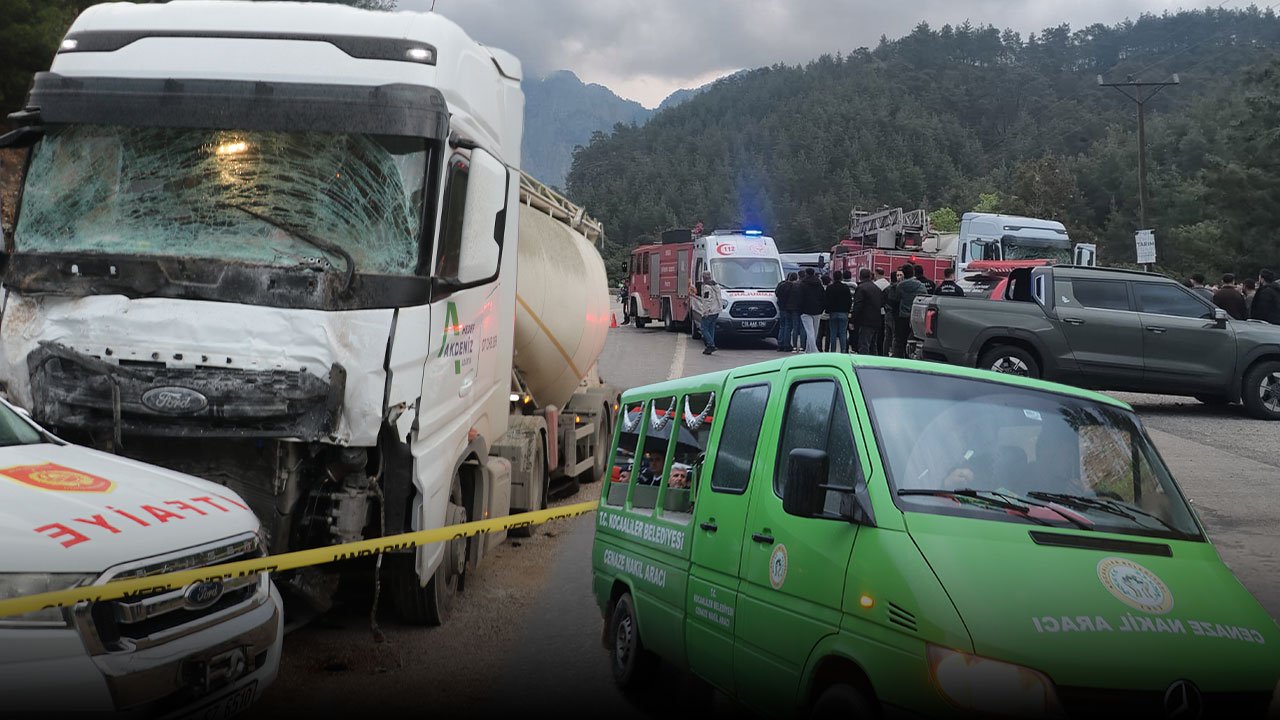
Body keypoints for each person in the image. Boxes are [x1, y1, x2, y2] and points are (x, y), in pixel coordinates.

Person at [893, 265, 928, 358]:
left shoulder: (900, 286)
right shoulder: (921, 285)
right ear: (913, 272)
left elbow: (896, 300)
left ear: (904, 274)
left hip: (903, 316)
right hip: (916, 317)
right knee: (914, 340)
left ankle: (899, 359)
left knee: (900, 340)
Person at [851, 268, 884, 355]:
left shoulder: (861, 288)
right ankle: (874, 363)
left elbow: (857, 306)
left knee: (864, 344)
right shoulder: (877, 288)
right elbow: (881, 303)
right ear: (870, 276)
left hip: (865, 321)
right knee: (873, 345)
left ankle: (864, 363)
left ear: (860, 276)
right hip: (876, 320)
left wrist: (852, 320)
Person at [689, 271, 722, 354]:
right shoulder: (716, 286)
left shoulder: (707, 287)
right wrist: (695, 296)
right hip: (716, 310)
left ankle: (711, 345)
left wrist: (705, 312)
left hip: (709, 311)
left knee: (704, 329)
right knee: (711, 329)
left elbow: (707, 301)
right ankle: (709, 346)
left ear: (704, 278)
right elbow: (708, 299)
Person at [825, 268, 853, 353]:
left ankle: (833, 350)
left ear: (833, 278)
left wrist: (828, 310)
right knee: (843, 333)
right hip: (844, 313)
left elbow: (827, 300)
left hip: (833, 313)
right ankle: (843, 350)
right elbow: (849, 300)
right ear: (841, 278)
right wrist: (848, 311)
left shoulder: (830, 288)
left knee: (833, 333)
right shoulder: (845, 288)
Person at [799, 268, 825, 354]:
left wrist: (800, 309)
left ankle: (813, 351)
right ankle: (808, 350)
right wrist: (821, 308)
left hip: (805, 311)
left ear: (806, 273)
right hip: (817, 311)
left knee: (809, 331)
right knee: (815, 331)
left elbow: (800, 298)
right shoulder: (819, 284)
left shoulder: (802, 284)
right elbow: (823, 297)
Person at [779, 272, 805, 353]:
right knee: (796, 327)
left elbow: (777, 294)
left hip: (785, 308)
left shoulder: (782, 285)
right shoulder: (797, 286)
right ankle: (797, 346)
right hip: (795, 309)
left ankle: (785, 345)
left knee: (786, 327)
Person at [882, 269, 904, 356]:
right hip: (895, 314)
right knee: (895, 336)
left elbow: (883, 301)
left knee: (887, 336)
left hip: (887, 314)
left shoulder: (887, 289)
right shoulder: (898, 288)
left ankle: (885, 353)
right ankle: (895, 354)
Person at [775, 274, 794, 352]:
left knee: (782, 326)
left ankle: (780, 344)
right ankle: (786, 345)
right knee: (788, 327)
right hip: (789, 308)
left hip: (781, 308)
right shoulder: (793, 286)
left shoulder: (781, 285)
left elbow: (776, 293)